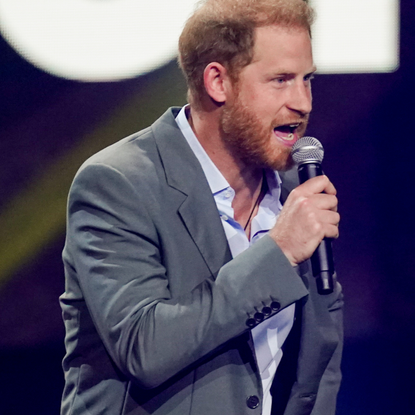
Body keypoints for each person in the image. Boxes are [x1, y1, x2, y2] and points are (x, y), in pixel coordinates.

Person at [60, 0, 343, 414]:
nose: (303, 102)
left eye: (307, 79)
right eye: (280, 80)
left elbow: (320, 356)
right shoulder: (117, 183)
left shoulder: (292, 193)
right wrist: (279, 251)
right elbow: (146, 348)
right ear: (217, 81)